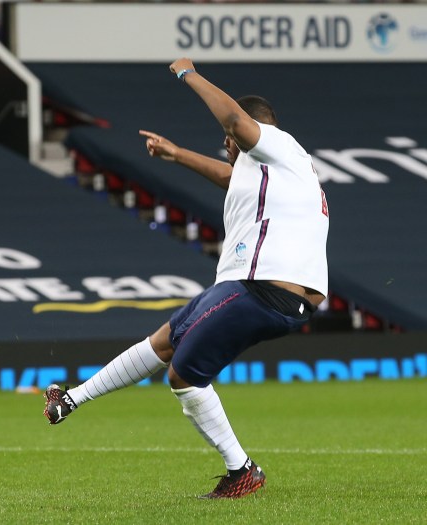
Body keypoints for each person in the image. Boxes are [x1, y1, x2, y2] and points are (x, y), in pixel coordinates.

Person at [43, 58, 329, 499]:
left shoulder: (276, 145)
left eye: (230, 139)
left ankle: (242, 470)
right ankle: (72, 400)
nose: (227, 144)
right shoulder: (277, 171)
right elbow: (230, 178)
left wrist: (187, 74)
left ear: (247, 132)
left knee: (184, 375)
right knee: (164, 341)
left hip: (266, 288)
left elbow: (235, 118)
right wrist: (177, 155)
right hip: (256, 288)